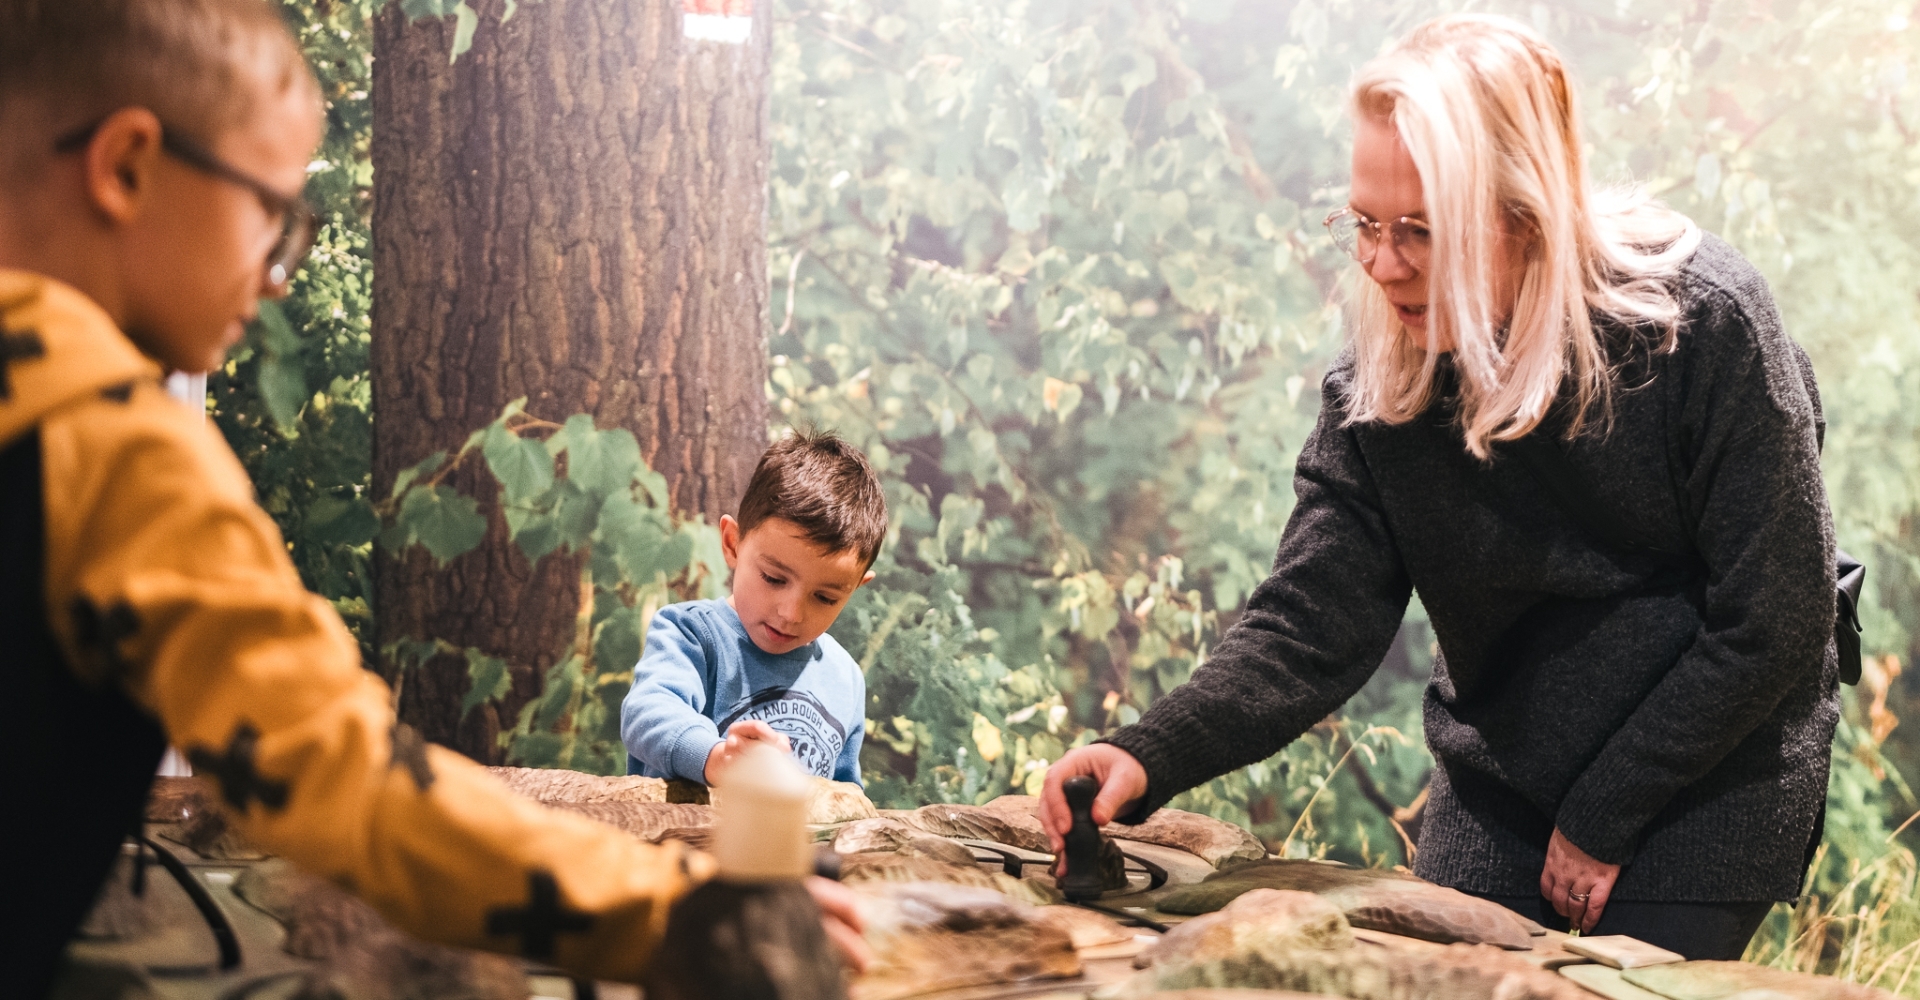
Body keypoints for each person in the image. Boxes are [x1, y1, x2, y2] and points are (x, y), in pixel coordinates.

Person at [0, 1, 864, 994]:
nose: (279, 274)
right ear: (127, 167)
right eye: (272, 213)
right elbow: (348, 785)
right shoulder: (104, 447)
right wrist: (667, 908)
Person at [1039, 13, 1838, 961]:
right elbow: (1309, 624)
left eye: (1419, 231)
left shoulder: (1702, 326)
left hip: (1708, 768)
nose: (1381, 265)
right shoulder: (1381, 389)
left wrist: (1602, 815)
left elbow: (1776, 618)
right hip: (1506, 769)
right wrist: (1148, 751)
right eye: (1365, 226)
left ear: (1523, 211)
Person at [622, 431, 885, 787]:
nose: (791, 613)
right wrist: (716, 758)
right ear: (732, 543)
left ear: (855, 588)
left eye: (825, 598)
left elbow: (844, 797)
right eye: (774, 578)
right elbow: (647, 712)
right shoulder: (691, 634)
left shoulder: (846, 680)